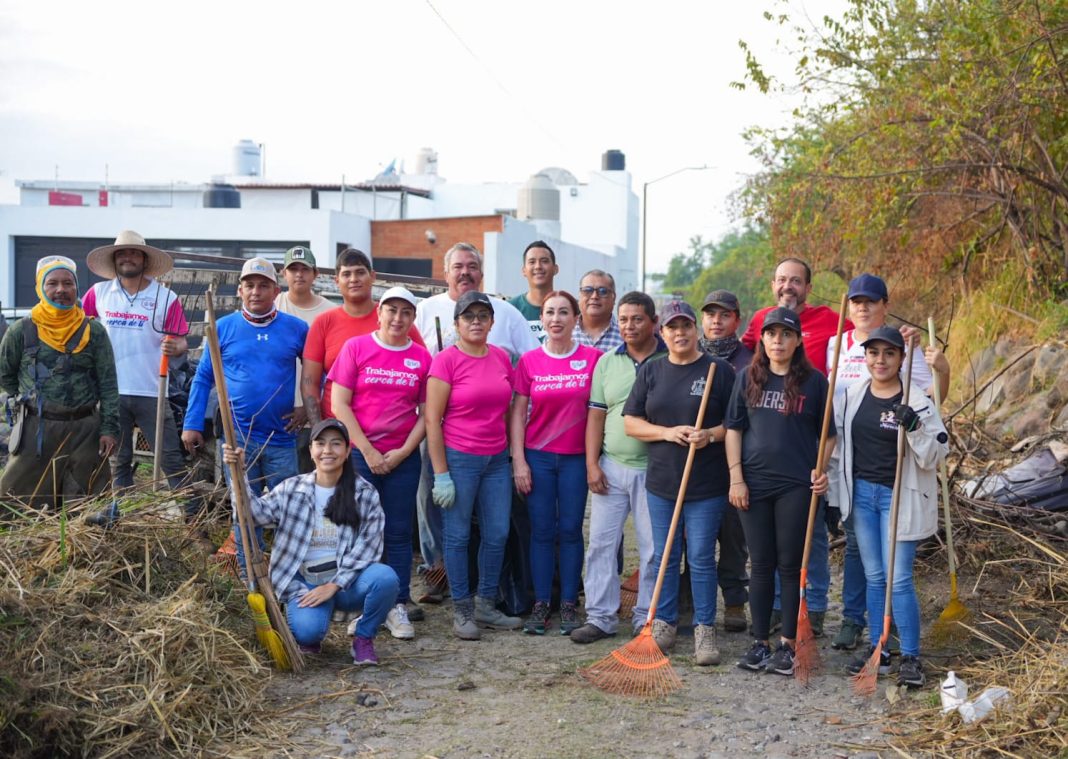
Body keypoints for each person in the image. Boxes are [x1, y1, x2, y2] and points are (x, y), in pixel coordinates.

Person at [827, 273, 950, 651]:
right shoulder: (849, 394)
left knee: (898, 579)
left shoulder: (915, 397)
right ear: (864, 358)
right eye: (874, 353)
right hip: (860, 494)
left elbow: (934, 453)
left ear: (900, 358)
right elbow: (840, 446)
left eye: (888, 354)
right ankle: (880, 644)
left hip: (900, 495)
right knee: (875, 574)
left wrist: (914, 423)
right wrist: (833, 492)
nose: (880, 360)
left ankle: (910, 653)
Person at [413, 242, 539, 603]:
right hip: (445, 434)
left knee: (494, 526)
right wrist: (441, 470)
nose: (465, 272)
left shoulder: (505, 319)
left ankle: (487, 592)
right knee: (435, 509)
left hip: (494, 444)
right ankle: (439, 574)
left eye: (472, 266)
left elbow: (530, 364)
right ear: (446, 271)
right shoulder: (426, 310)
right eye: (458, 266)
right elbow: (413, 360)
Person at [222, 418, 399, 665]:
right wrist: (238, 475)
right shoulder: (292, 489)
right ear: (311, 451)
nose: (328, 450)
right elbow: (253, 515)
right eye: (321, 443)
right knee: (308, 632)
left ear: (348, 451)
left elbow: (368, 548)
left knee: (386, 578)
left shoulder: (364, 493)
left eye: (336, 444)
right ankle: (311, 630)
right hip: (305, 583)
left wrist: (334, 584)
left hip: (346, 583)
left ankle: (363, 638)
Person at [740, 258, 849, 637]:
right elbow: (747, 358)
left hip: (809, 436)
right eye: (783, 280)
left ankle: (814, 605)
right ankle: (775, 608)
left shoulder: (833, 320)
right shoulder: (761, 319)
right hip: (768, 442)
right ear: (773, 284)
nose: (789, 286)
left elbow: (867, 342)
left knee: (812, 535)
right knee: (769, 546)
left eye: (796, 281)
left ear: (808, 286)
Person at [623, 300, 736, 666]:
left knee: (702, 557)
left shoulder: (719, 371)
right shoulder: (652, 373)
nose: (680, 333)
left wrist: (710, 436)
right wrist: (667, 432)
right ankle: (665, 624)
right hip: (663, 483)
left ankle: (705, 629)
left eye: (686, 326)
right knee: (665, 557)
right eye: (673, 327)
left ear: (696, 330)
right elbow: (631, 423)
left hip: (706, 484)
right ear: (663, 332)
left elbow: (735, 424)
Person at [182, 257, 308, 574]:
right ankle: (248, 572)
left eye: (263, 285)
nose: (256, 291)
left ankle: (287, 573)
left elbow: (314, 374)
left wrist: (307, 407)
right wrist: (192, 423)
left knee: (288, 508)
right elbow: (202, 378)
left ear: (275, 291)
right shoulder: (222, 329)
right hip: (237, 439)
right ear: (240, 290)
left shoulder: (296, 329)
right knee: (243, 507)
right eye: (249, 285)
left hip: (281, 437)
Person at [727, 307, 834, 677]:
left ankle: (789, 645)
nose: (778, 341)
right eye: (771, 334)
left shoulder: (815, 382)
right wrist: (735, 478)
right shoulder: (747, 378)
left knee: (790, 566)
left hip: (795, 486)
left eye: (786, 335)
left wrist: (820, 470)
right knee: (760, 564)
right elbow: (733, 430)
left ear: (798, 340)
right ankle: (760, 642)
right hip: (753, 484)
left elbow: (828, 436)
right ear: (762, 339)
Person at [328, 286, 431, 640]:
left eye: (405, 312)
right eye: (392, 310)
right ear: (379, 312)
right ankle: (361, 602)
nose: (398, 318)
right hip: (359, 455)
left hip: (402, 459)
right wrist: (367, 450)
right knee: (359, 531)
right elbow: (340, 404)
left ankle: (397, 602)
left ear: (413, 318)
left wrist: (402, 452)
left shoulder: (421, 358)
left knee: (399, 532)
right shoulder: (356, 348)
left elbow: (426, 414)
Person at [426, 291, 522, 640]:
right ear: (457, 324)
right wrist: (441, 474)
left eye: (483, 316)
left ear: (492, 322)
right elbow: (432, 420)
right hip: (459, 458)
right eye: (469, 317)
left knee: (497, 532)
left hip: (496, 459)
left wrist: (513, 455)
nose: (476, 322)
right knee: (458, 534)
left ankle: (485, 603)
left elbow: (511, 409)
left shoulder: (500, 358)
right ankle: (462, 609)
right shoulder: (446, 361)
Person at [571, 292, 666, 645]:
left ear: (653, 322)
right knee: (600, 544)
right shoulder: (607, 362)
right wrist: (592, 464)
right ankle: (600, 617)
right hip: (611, 466)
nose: (629, 326)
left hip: (655, 471)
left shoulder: (669, 360)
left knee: (653, 548)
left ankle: (647, 617)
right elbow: (596, 415)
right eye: (623, 320)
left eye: (637, 319)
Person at [509, 290, 601, 635]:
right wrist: (519, 460)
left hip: (577, 458)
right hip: (539, 457)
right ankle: (540, 604)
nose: (556, 319)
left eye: (564, 312)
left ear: (576, 318)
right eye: (550, 313)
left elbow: (601, 411)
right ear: (542, 319)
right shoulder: (530, 361)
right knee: (542, 532)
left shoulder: (593, 359)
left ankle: (568, 604)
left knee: (570, 531)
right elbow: (517, 414)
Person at [0, 256, 119, 509]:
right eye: (52, 283)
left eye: (68, 283)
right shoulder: (21, 330)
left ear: (77, 288)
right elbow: (5, 375)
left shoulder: (94, 332)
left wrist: (109, 429)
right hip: (36, 430)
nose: (61, 290)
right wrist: (20, 405)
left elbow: (108, 385)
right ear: (40, 288)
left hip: (85, 431)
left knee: (89, 509)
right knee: (16, 506)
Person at [82, 231, 189, 505]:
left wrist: (175, 347)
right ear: (114, 260)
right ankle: (124, 518)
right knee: (118, 460)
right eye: (122, 253)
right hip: (109, 392)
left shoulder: (166, 297)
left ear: (144, 259)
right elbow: (82, 333)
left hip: (152, 390)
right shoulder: (98, 293)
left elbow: (181, 342)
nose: (127, 258)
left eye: (133, 253)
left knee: (170, 458)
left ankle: (194, 520)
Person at [300, 248, 426, 426]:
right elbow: (309, 382)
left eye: (360, 272)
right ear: (337, 281)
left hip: (391, 437)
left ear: (373, 276)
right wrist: (319, 429)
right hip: (338, 435)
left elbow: (425, 373)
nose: (353, 280)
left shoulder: (396, 321)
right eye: (346, 274)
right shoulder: (323, 322)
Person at [699, 289, 754, 634]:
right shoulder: (688, 355)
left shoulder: (750, 360)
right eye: (710, 315)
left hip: (738, 461)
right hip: (696, 463)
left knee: (734, 536)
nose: (716, 321)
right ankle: (692, 601)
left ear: (737, 319)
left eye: (724, 315)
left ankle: (734, 601)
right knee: (695, 539)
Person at [275, 246, 335, 473]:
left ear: (315, 274)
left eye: (304, 269)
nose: (299, 274)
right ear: (283, 273)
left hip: (314, 414)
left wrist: (308, 407)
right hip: (278, 412)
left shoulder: (329, 312)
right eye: (293, 269)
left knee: (310, 477)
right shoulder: (273, 306)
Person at [508, 240, 559, 342]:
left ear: (555, 269)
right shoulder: (510, 309)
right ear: (524, 271)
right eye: (532, 262)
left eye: (544, 261)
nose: (538, 266)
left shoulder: (570, 308)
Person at [573, 270, 623, 352]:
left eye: (603, 291)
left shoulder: (626, 335)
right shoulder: (565, 333)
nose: (594, 296)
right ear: (579, 295)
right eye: (588, 290)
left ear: (613, 297)